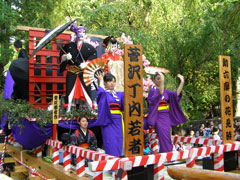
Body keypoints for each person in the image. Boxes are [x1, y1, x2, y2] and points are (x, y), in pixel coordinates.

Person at [59, 24, 97, 112]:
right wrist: (65, 57)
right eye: (79, 32)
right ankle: (68, 109)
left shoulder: (89, 48)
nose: (82, 34)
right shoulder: (69, 46)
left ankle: (90, 109)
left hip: (83, 72)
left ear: (86, 35)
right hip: (71, 71)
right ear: (75, 33)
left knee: (87, 91)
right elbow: (61, 56)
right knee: (70, 90)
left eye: (84, 32)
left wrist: (87, 63)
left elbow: (93, 57)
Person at [147, 72, 187, 153]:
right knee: (163, 136)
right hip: (157, 115)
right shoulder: (152, 90)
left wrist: (182, 82)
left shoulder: (166, 91)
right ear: (154, 80)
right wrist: (162, 80)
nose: (160, 81)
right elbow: (160, 93)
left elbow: (176, 95)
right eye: (158, 79)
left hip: (166, 115)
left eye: (161, 79)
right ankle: (166, 154)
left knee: (167, 136)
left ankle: (166, 154)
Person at [94, 72, 124, 157]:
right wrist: (100, 80)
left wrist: (126, 87)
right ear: (105, 83)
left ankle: (117, 160)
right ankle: (111, 163)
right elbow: (100, 95)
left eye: (114, 81)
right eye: (109, 81)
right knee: (110, 141)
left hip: (118, 121)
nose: (112, 83)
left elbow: (126, 101)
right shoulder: (104, 93)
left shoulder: (119, 94)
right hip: (108, 119)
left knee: (118, 140)